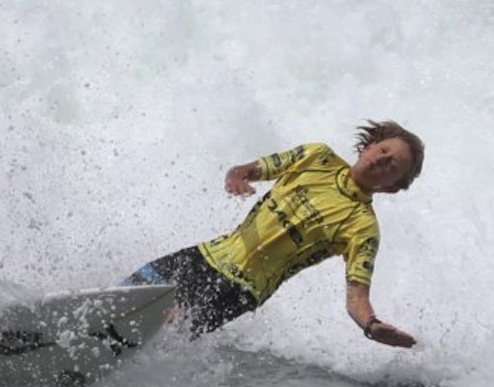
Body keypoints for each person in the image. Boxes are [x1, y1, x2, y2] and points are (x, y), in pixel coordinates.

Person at [124, 120, 424, 347]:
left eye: (392, 165)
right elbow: (245, 170)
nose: (382, 160)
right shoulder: (316, 157)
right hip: (207, 254)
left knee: (165, 329)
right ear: (369, 145)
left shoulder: (363, 227)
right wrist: (236, 178)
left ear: (392, 187)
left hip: (240, 290)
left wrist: (371, 326)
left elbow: (356, 297)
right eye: (383, 151)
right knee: (130, 290)